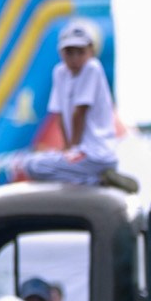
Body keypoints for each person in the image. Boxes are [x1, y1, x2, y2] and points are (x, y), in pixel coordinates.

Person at [22, 20, 134, 191]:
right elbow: (59, 114)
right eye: (69, 52)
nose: (75, 58)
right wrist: (67, 148)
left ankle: (93, 179)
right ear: (61, 53)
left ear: (91, 51)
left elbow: (79, 113)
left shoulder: (92, 68)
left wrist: (72, 149)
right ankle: (92, 179)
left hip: (96, 153)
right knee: (30, 164)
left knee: (34, 166)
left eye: (80, 52)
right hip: (81, 154)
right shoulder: (60, 72)